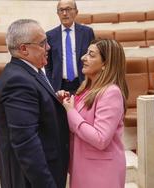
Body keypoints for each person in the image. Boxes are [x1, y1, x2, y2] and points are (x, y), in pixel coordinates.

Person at [0, 19, 69, 188]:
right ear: (24, 49)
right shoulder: (18, 80)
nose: (48, 47)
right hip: (32, 180)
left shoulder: (29, 71)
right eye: (42, 43)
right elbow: (26, 143)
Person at [62, 39, 128, 188]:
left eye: (91, 55)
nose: (83, 58)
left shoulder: (111, 92)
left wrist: (71, 112)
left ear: (105, 64)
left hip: (101, 172)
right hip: (83, 167)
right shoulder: (86, 89)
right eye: (86, 53)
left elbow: (100, 139)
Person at [45, 0, 95, 94]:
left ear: (76, 12)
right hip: (59, 86)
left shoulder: (87, 32)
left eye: (68, 9)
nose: (64, 13)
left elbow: (94, 57)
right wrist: (52, 85)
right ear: (57, 13)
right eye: (61, 10)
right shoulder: (50, 35)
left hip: (83, 83)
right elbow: (48, 65)